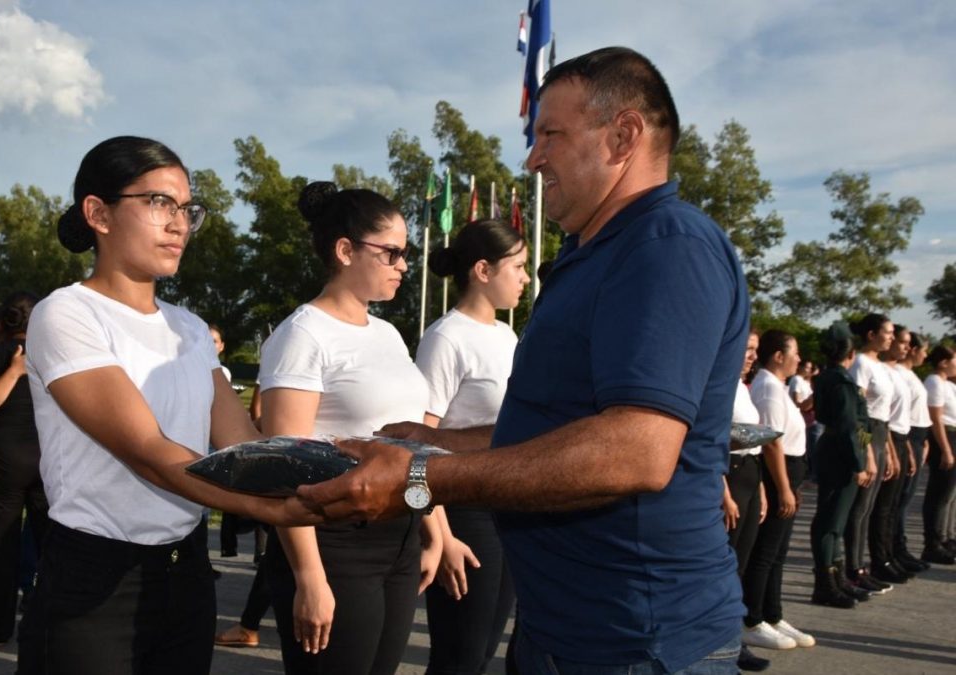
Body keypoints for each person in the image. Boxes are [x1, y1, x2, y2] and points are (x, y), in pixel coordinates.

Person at [302, 47, 748, 674]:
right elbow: (556, 429)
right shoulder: (594, 256)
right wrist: (439, 442)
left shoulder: (664, 246)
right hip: (567, 629)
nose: (534, 157)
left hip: (637, 641)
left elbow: (635, 451)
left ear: (623, 136)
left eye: (551, 135)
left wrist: (421, 477)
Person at [14, 136, 316, 675]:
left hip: (186, 571)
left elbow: (244, 445)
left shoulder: (190, 329)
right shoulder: (67, 314)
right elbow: (149, 451)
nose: (179, 224)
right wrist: (272, 510)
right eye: (159, 203)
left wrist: (327, 474)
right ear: (98, 213)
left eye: (187, 209)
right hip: (94, 579)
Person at [259, 181, 436, 675]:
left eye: (407, 253)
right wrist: (309, 576)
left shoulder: (388, 333)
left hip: (399, 537)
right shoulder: (303, 334)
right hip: (333, 545)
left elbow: (408, 444)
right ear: (345, 250)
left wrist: (430, 526)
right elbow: (280, 468)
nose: (404, 265)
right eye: (393, 253)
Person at [418, 219, 528, 675]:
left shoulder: (507, 335)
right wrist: (438, 536)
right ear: (483, 270)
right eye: (518, 266)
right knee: (458, 658)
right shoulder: (446, 338)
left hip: (509, 506)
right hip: (462, 511)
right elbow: (413, 444)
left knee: (483, 653)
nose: (525, 278)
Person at [0, 291, 50, 647]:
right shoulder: (56, 357)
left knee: (0, 548)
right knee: (52, 547)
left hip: (4, 461)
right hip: (47, 459)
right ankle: (50, 629)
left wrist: (14, 372)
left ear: (3, 321)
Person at [740, 330, 815, 653]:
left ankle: (773, 612)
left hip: (788, 474)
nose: (799, 359)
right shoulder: (768, 389)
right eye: (794, 352)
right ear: (779, 356)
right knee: (764, 552)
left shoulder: (778, 388)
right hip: (774, 475)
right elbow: (771, 442)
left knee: (778, 552)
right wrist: (783, 488)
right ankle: (752, 618)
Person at [809, 322, 871, 608]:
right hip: (841, 454)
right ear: (852, 351)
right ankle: (826, 583)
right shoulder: (842, 382)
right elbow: (851, 426)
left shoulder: (826, 377)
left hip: (832, 450)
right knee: (831, 522)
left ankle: (836, 579)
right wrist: (859, 462)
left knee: (835, 520)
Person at [722, 329, 772, 672]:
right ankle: (724, 642)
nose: (753, 356)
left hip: (750, 472)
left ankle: (733, 639)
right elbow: (711, 439)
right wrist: (723, 491)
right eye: (747, 349)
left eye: (755, 350)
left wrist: (762, 489)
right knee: (726, 565)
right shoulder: (722, 384)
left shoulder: (742, 386)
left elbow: (751, 438)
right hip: (731, 474)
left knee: (741, 561)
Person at [844, 314, 899, 591]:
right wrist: (865, 452)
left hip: (880, 432)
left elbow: (883, 415)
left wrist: (888, 450)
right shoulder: (861, 364)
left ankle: (861, 565)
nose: (891, 337)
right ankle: (852, 568)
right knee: (859, 507)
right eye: (887, 332)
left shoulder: (880, 366)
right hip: (866, 434)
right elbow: (859, 413)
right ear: (871, 335)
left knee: (868, 507)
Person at [893, 332, 932, 568]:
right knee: (901, 498)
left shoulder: (910, 375)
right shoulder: (899, 374)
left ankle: (900, 547)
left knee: (905, 497)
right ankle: (896, 547)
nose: (922, 354)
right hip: (906, 435)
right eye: (921, 349)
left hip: (916, 435)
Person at [921, 344, 956, 564]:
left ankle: (947, 537)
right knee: (940, 495)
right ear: (943, 362)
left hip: (953, 435)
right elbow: (937, 419)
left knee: (951, 495)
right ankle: (933, 542)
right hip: (946, 437)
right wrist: (945, 449)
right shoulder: (934, 382)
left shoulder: (948, 384)